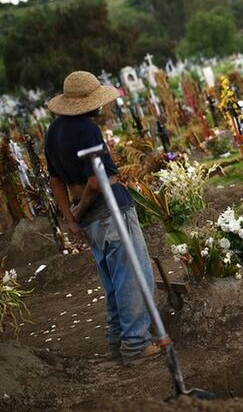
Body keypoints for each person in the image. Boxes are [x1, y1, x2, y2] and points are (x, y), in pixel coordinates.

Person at [45, 71, 160, 365]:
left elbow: (55, 180)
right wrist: (81, 207)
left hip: (91, 221)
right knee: (132, 278)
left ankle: (117, 338)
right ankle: (135, 344)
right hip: (111, 212)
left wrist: (71, 217)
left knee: (112, 281)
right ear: (89, 102)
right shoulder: (86, 129)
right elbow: (97, 182)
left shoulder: (53, 132)